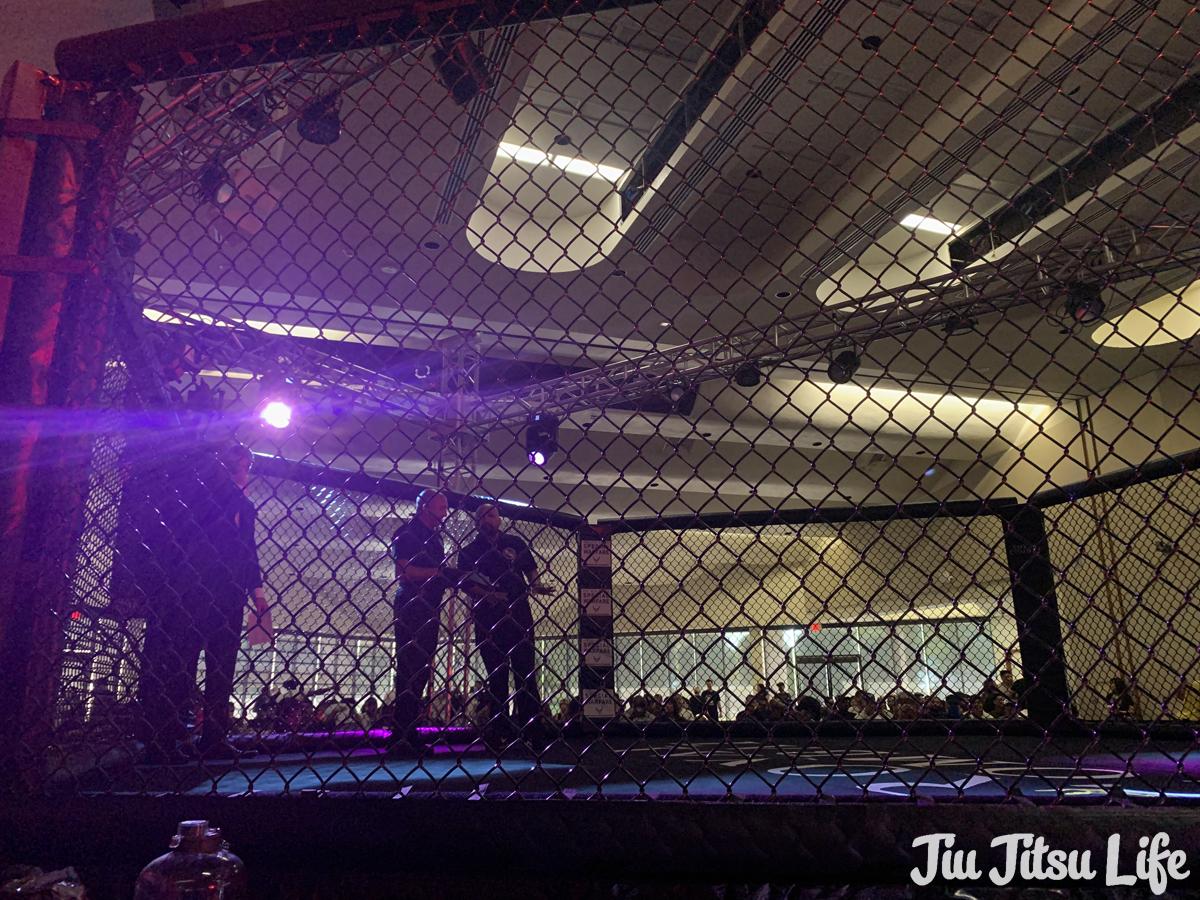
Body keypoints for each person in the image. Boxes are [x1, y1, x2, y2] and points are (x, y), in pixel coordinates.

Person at [139, 442, 268, 762]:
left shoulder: (238, 504)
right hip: (199, 592)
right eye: (243, 467)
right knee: (187, 666)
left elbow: (247, 551)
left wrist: (258, 594)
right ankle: (173, 738)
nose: (244, 474)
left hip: (221, 593)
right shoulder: (204, 499)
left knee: (215, 666)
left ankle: (206, 737)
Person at [457, 503, 552, 743]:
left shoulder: (514, 543)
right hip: (488, 617)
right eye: (483, 516)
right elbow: (465, 583)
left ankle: (532, 728)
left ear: (499, 519)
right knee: (497, 675)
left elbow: (530, 570)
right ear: (477, 522)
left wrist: (537, 585)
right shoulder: (469, 551)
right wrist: (487, 595)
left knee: (525, 672)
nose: (489, 519)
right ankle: (500, 730)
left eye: (492, 515)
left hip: (518, 613)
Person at [388, 489, 457, 754]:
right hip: (412, 605)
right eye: (441, 507)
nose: (445, 513)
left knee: (421, 668)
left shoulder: (435, 537)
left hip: (430, 605)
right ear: (425, 506)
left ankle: (408, 731)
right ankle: (401, 734)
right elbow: (404, 571)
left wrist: (445, 576)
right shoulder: (407, 533)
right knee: (410, 666)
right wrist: (438, 573)